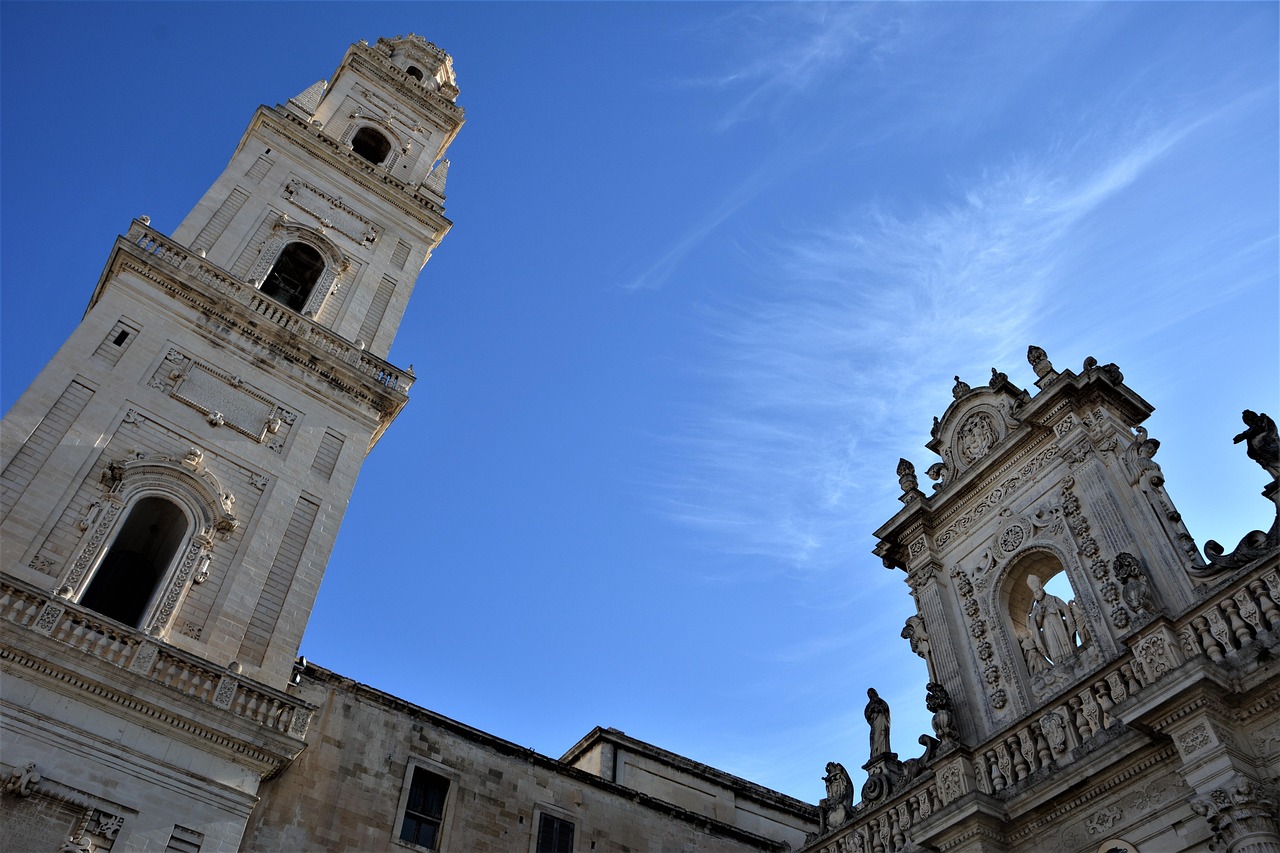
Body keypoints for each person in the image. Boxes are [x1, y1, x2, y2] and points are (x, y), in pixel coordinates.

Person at [1027, 575, 1077, 664]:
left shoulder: (1053, 599)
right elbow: (1036, 625)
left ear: (1042, 590)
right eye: (1034, 593)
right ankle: (1058, 660)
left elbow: (1064, 608)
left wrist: (1054, 609)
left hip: (1058, 623)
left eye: (1037, 591)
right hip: (1047, 629)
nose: (1036, 594)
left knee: (1063, 639)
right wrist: (1040, 615)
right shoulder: (1036, 608)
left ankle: (1070, 654)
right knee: (1053, 644)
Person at [866, 687, 892, 758]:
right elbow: (867, 715)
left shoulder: (881, 702)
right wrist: (872, 710)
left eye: (872, 692)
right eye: (870, 694)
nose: (871, 694)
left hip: (882, 721)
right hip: (875, 724)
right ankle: (875, 753)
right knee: (875, 738)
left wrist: (880, 709)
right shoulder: (869, 706)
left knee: (883, 734)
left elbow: (886, 710)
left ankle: (883, 750)